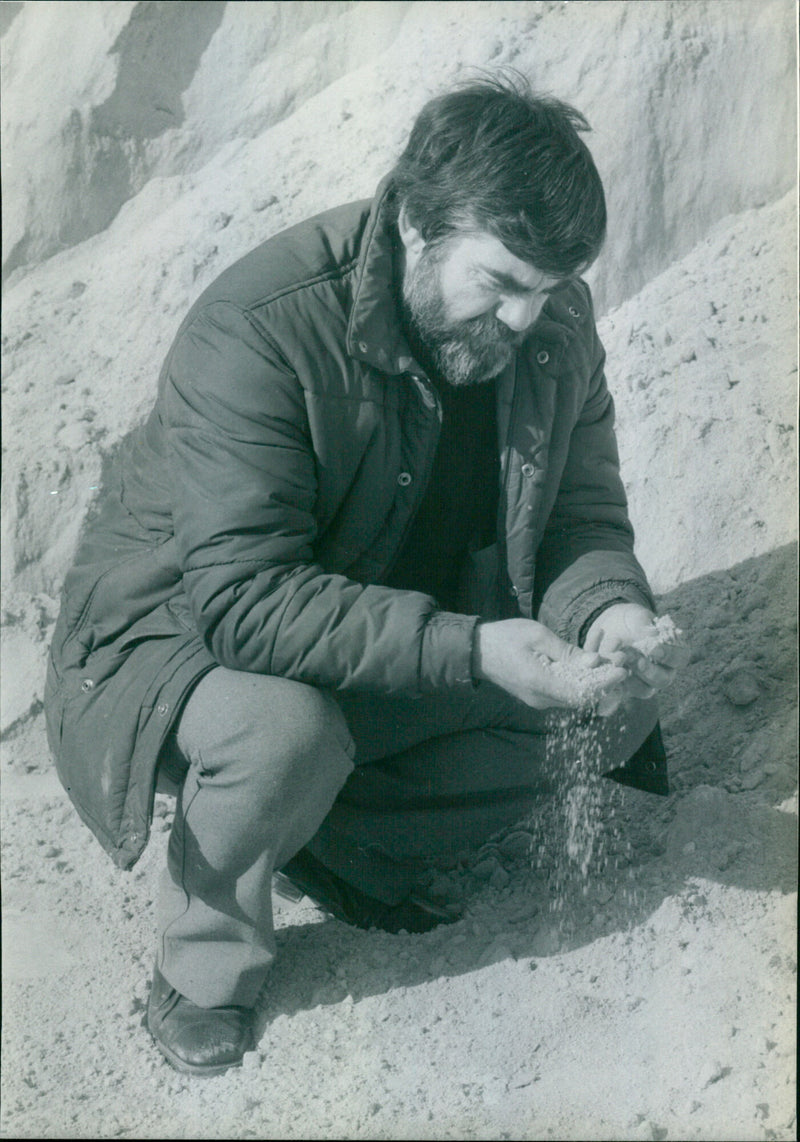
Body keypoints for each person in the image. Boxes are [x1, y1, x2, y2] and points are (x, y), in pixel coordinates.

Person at [45, 73, 689, 1077]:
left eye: (546, 289)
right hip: (176, 633)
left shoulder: (551, 327)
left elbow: (579, 516)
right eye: (500, 282)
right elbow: (244, 602)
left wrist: (605, 611)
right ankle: (205, 964)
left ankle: (334, 841)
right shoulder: (259, 326)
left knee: (613, 707)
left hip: (382, 613)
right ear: (416, 224)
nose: (524, 318)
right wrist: (471, 647)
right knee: (285, 736)